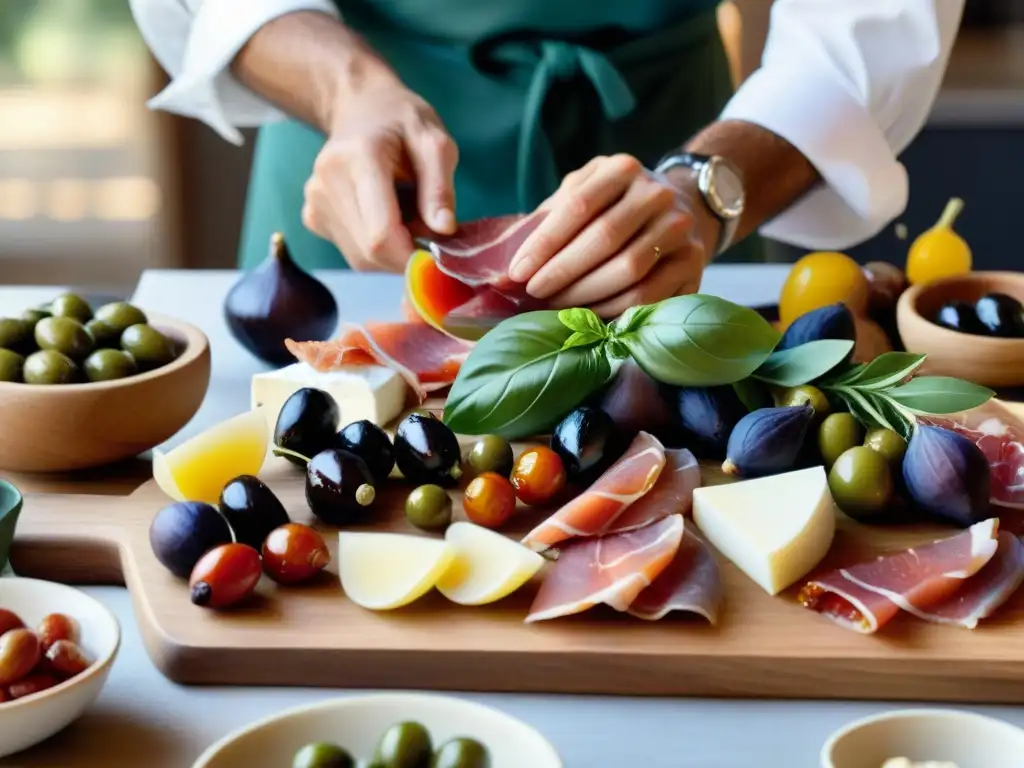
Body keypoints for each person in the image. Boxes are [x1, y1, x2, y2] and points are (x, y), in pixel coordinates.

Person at [130, 0, 963, 317]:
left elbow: (878, 15)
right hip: (347, 192)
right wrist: (347, 90)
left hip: (681, 168)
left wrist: (705, 191)